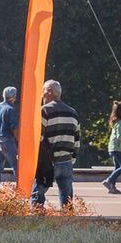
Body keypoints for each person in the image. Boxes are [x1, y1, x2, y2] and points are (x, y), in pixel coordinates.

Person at [31, 79, 80, 209]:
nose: (42, 95)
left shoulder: (44, 111)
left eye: (43, 92)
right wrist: (71, 159)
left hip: (48, 162)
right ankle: (67, 223)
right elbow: (76, 140)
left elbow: (39, 138)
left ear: (49, 92)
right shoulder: (73, 112)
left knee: (37, 197)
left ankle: (32, 224)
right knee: (67, 200)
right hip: (66, 161)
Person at [0, 86, 20, 186]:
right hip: (7, 140)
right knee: (16, 164)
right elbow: (14, 127)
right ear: (13, 97)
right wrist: (18, 141)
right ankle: (21, 186)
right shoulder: (10, 109)